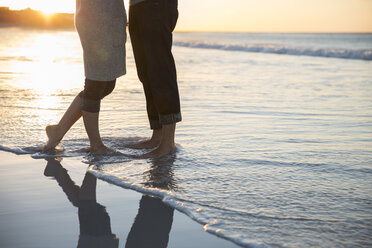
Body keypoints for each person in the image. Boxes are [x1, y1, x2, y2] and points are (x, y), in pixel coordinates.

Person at [43, 0, 127, 154]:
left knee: (107, 85)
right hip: (97, 19)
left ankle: (58, 130)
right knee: (95, 84)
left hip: (109, 19)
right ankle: (96, 145)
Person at [128, 0, 182, 158]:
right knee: (145, 73)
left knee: (160, 70)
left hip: (156, 4)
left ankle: (167, 143)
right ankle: (157, 136)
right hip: (136, 5)